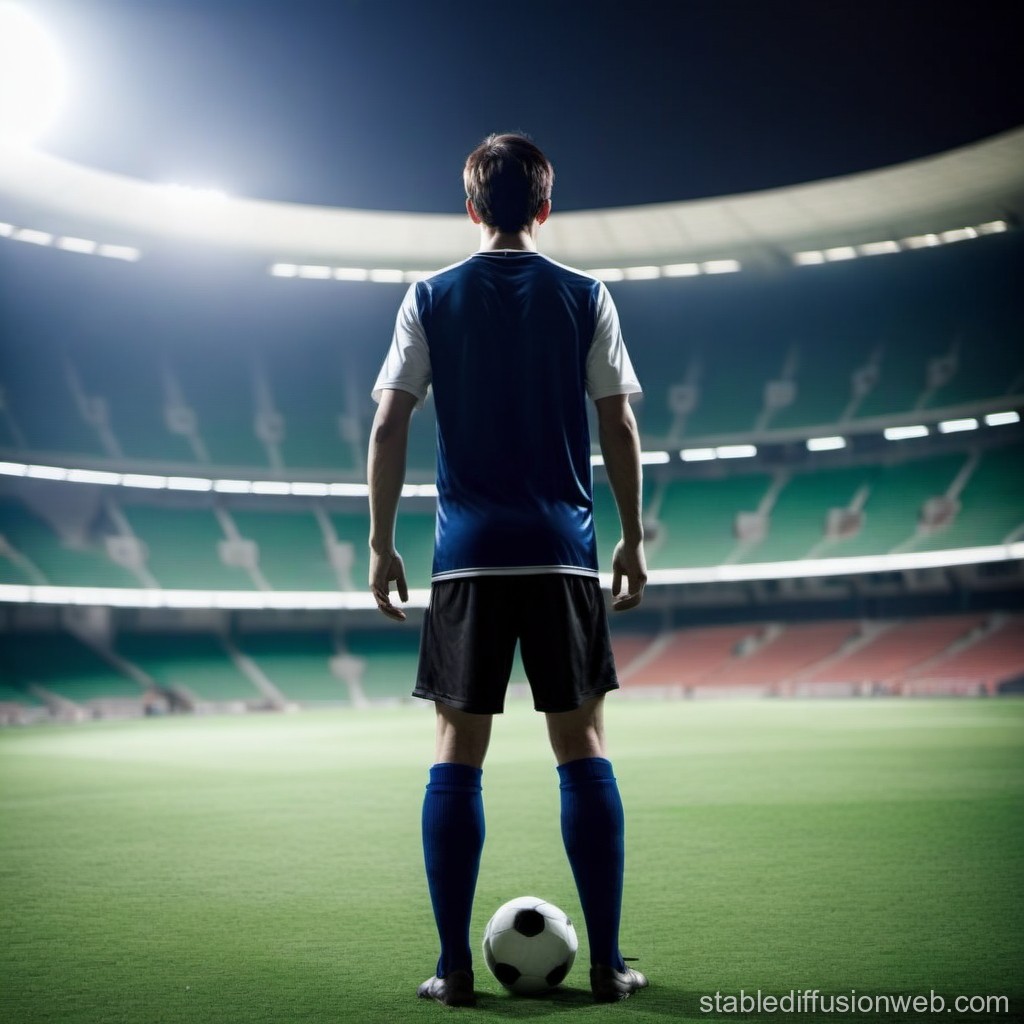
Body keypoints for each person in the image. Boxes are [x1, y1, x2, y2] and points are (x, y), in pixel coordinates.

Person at [367, 133, 648, 1006]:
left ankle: (454, 971)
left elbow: (388, 426)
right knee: (582, 746)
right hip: (563, 552)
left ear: (470, 205)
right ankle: (605, 967)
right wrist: (633, 539)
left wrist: (380, 542)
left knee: (458, 749)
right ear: (545, 205)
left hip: (468, 562)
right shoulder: (585, 295)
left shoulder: (428, 297)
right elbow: (619, 426)